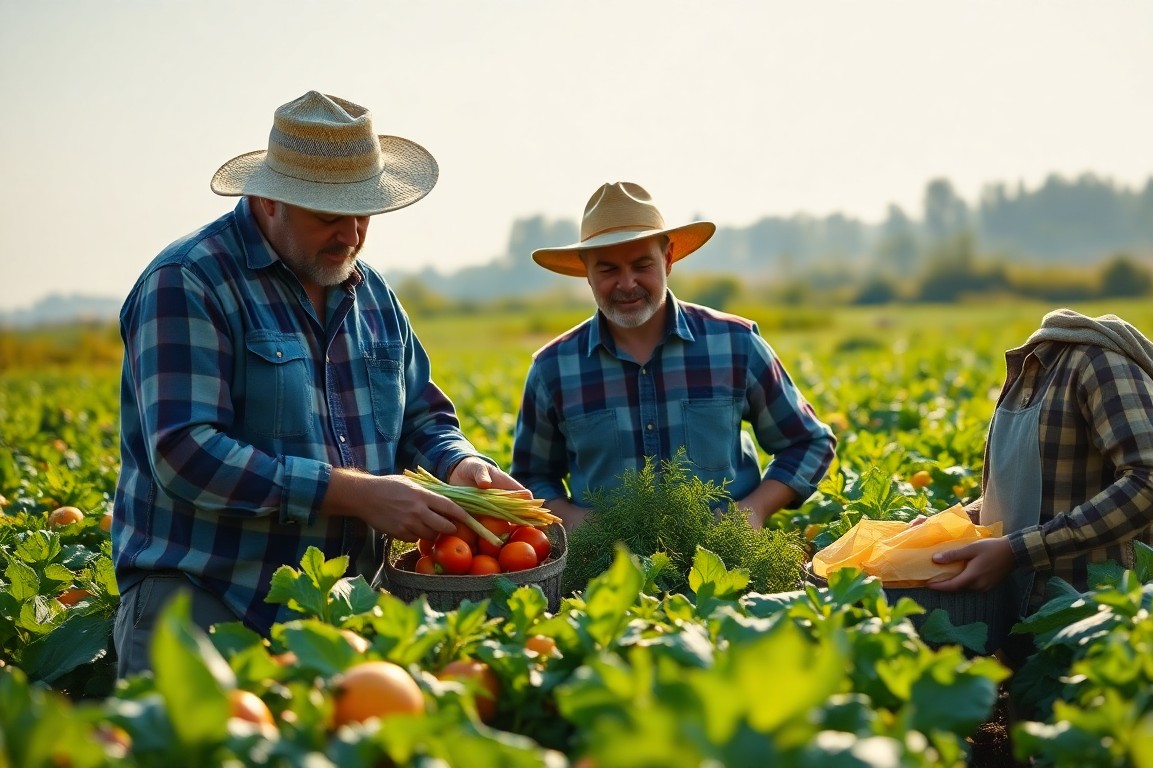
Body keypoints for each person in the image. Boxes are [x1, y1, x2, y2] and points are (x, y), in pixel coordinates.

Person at [112, 91, 525, 677]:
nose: (351, 234)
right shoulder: (188, 282)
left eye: (364, 214)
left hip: (344, 616)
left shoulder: (373, 294)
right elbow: (184, 453)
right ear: (268, 200)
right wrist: (354, 493)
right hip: (206, 602)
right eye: (329, 215)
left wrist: (458, 464)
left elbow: (422, 419)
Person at [511, 181, 836, 530]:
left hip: (729, 560)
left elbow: (808, 442)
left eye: (641, 265)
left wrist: (755, 508)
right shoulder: (553, 368)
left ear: (667, 260)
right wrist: (576, 521)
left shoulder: (735, 343)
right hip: (606, 572)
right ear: (587, 274)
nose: (627, 283)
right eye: (608, 270)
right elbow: (532, 476)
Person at [925, 309, 1153, 649]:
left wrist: (1017, 551)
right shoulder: (1032, 373)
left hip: (1109, 623)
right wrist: (951, 526)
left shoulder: (1102, 365)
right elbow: (1023, 488)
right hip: (1026, 621)